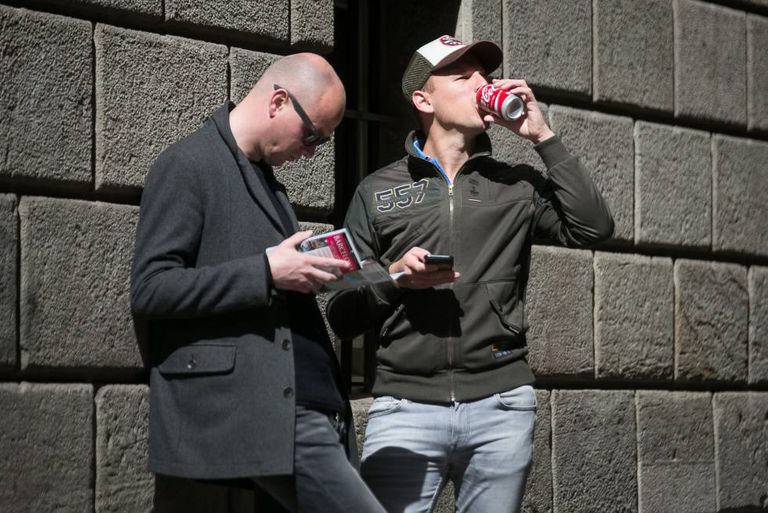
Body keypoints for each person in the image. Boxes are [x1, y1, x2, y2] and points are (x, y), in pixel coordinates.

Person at [326, 35, 614, 513]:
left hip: (501, 405)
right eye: (463, 78)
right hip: (404, 408)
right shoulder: (376, 191)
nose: (483, 85)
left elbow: (593, 228)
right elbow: (341, 307)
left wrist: (543, 136)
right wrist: (393, 278)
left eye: (486, 76)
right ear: (424, 100)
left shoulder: (516, 184)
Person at [131, 53, 386, 513]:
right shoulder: (188, 164)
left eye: (322, 142)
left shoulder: (268, 182)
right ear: (279, 102)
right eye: (312, 135)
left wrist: (309, 273)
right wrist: (266, 271)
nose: (311, 152)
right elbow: (152, 288)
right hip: (268, 415)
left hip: (309, 405)